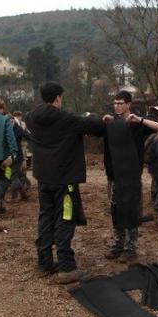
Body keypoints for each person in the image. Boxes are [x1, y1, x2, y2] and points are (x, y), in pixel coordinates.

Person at [27, 82, 105, 284]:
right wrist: (92, 116)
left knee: (45, 217)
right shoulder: (66, 119)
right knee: (65, 218)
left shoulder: (31, 117)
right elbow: (96, 126)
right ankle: (66, 267)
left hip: (43, 177)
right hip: (64, 180)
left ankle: (44, 262)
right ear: (58, 98)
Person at [103, 90, 158, 263]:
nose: (117, 106)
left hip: (132, 175)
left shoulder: (136, 123)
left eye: (121, 103)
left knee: (132, 209)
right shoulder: (110, 123)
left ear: (128, 104)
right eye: (115, 103)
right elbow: (90, 126)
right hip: (114, 175)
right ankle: (118, 244)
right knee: (115, 209)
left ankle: (131, 247)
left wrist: (140, 119)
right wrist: (101, 120)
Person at [9, 111, 31, 202]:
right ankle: (23, 192)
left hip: (14, 155)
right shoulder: (17, 128)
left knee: (13, 176)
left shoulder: (14, 128)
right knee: (18, 174)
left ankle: (15, 197)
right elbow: (28, 135)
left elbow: (27, 135)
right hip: (17, 155)